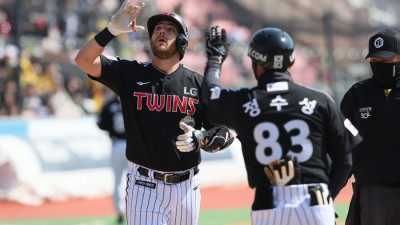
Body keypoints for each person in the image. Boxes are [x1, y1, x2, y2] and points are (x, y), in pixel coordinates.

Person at [74, 1, 233, 225]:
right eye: (157, 28)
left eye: (170, 29)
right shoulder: (130, 73)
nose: (161, 31)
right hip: (143, 185)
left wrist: (201, 138)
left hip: (187, 187)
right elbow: (83, 60)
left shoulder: (198, 84)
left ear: (183, 41)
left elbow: (224, 132)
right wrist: (111, 30)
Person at [201, 26, 362, 225]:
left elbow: (210, 93)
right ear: (292, 61)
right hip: (316, 203)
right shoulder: (320, 100)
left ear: (255, 63)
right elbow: (347, 158)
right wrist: (328, 195)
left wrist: (215, 58)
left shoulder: (244, 102)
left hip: (269, 204)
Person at [340, 28, 400, 225]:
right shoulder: (356, 96)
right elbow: (345, 147)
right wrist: (329, 191)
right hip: (369, 194)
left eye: (386, 61)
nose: (379, 65)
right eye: (374, 61)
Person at [97, 92, 128, 224]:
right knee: (139, 178)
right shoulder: (131, 99)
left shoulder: (110, 104)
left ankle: (119, 210)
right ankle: (135, 209)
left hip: (117, 144)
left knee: (117, 181)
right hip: (133, 144)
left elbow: (101, 124)